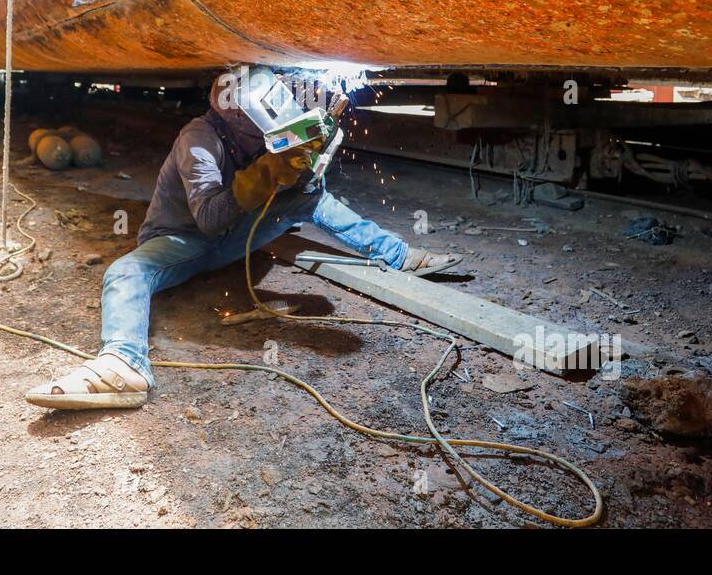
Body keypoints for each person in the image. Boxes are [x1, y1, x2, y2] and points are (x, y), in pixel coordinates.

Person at [25, 66, 460, 410]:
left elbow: (292, 185)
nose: (265, 142)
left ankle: (398, 255)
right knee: (126, 271)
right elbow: (210, 219)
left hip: (234, 237)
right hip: (183, 240)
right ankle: (123, 362)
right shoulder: (197, 140)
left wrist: (306, 161)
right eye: (260, 134)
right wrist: (266, 175)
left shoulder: (256, 128)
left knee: (309, 198)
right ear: (237, 122)